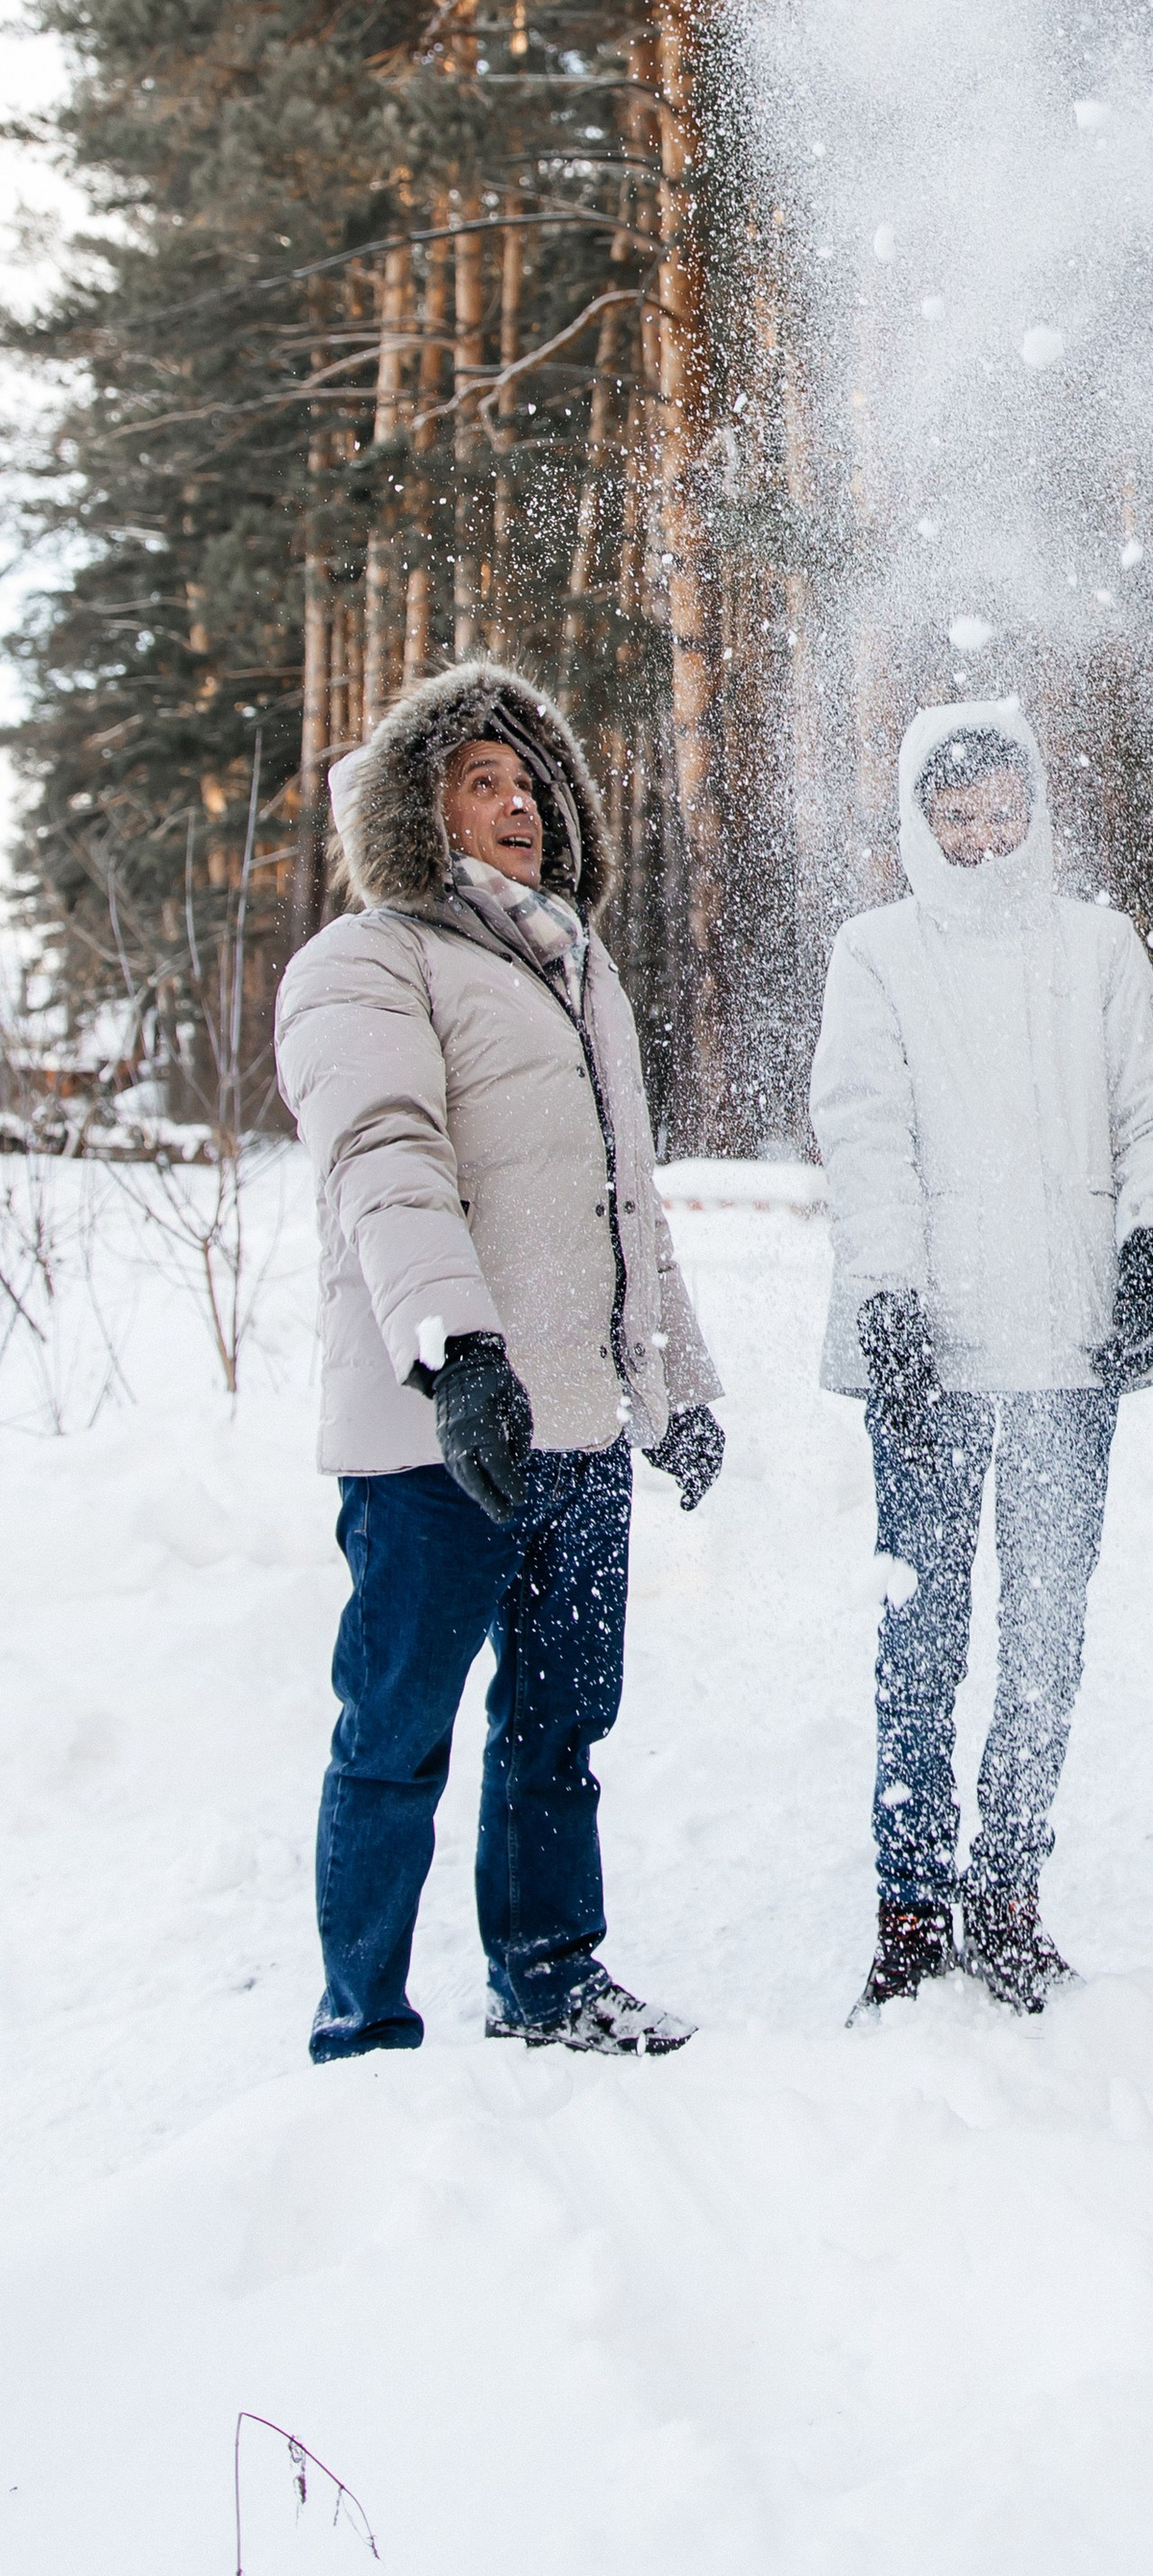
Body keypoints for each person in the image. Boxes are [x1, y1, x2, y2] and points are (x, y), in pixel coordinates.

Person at [276, 661, 724, 2064]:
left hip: (581, 1426)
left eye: (530, 781)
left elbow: (624, 1204)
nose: (520, 801)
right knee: (397, 1733)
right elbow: (383, 1161)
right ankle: (365, 2017)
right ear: (421, 809)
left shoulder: (578, 971)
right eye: (482, 780)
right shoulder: (367, 959)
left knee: (557, 1728)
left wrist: (680, 1382)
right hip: (441, 1436)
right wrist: (455, 1352)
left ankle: (549, 1975)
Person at [811, 698, 1153, 2015]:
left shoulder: (1095, 947)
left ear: (1035, 809)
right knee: (921, 1640)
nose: (979, 833)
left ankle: (1009, 1887)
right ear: (919, 822)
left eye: (999, 806)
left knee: (1046, 1634)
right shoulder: (875, 953)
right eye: (953, 810)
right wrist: (888, 1295)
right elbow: (864, 1129)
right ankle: (911, 1905)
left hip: (1066, 1345)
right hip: (928, 1352)